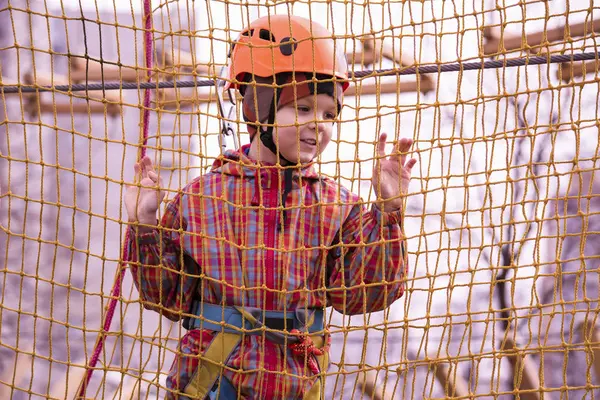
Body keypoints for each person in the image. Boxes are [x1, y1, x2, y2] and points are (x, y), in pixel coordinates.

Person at [124, 14, 416, 400]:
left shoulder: (337, 206)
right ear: (258, 109)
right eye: (304, 108)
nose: (320, 125)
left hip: (293, 387)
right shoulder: (203, 199)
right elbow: (166, 297)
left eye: (330, 114)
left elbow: (364, 295)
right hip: (209, 386)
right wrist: (145, 224)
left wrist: (386, 212)